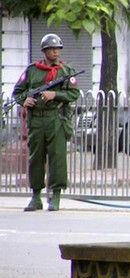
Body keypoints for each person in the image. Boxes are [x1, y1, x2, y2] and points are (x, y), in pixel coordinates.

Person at [13, 33, 80, 212]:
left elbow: (74, 94)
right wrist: (24, 100)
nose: (55, 52)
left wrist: (55, 94)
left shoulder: (66, 72)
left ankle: (55, 196)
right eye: (51, 49)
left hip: (56, 118)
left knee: (57, 157)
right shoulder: (32, 70)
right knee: (36, 158)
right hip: (36, 119)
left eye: (57, 49)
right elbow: (17, 92)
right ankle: (36, 197)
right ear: (44, 51)